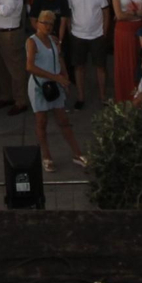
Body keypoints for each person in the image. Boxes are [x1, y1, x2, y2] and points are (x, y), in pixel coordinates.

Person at [25, 10, 85, 172]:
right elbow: (30, 66)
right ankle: (46, 155)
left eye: (51, 24)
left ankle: (77, 153)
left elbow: (59, 59)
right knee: (41, 122)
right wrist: (55, 77)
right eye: (45, 23)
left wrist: (64, 78)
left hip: (55, 84)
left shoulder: (53, 40)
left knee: (63, 120)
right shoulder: (32, 42)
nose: (48, 26)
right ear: (38, 23)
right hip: (39, 86)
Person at [66, 0, 109, 107]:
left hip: (97, 35)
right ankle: (80, 97)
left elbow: (106, 11)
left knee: (100, 66)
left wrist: (104, 31)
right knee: (79, 67)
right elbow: (69, 13)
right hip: (78, 35)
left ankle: (103, 96)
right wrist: (70, 31)